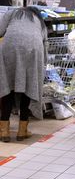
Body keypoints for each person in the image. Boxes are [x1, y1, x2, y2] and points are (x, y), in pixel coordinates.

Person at [0, 7, 48, 142]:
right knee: (29, 86)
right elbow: (45, 40)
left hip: (10, 47)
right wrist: (44, 63)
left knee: (8, 87)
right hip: (34, 50)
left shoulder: (12, 13)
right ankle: (22, 130)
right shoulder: (39, 19)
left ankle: (4, 131)